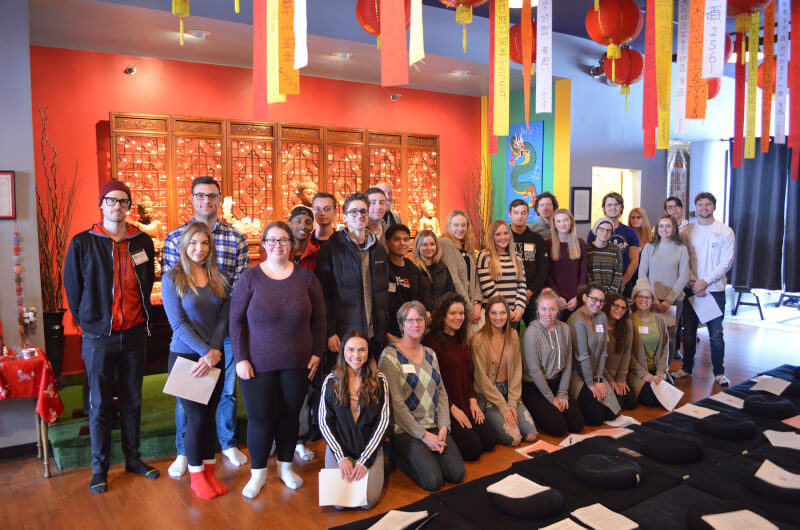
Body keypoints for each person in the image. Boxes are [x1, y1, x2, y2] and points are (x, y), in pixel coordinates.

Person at [64, 179, 158, 493]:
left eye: (123, 201)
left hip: (133, 334)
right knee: (100, 404)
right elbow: (73, 290)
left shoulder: (142, 242)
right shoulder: (83, 242)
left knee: (132, 400)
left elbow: (146, 280)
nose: (117, 206)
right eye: (111, 200)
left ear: (129, 207)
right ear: (101, 204)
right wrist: (87, 323)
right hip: (98, 337)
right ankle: (99, 468)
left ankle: (134, 459)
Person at [231, 221, 326, 497]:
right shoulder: (250, 279)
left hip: (297, 363)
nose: (278, 246)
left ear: (291, 244)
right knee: (260, 419)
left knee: (289, 417)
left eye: (283, 240)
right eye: (272, 241)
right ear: (263, 244)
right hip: (256, 366)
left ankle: (285, 468)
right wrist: (241, 358)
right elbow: (235, 322)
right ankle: (258, 474)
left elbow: (320, 319)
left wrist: (318, 352)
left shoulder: (306, 279)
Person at [163, 176, 250, 476]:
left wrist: (216, 344)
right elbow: (174, 292)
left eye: (212, 196)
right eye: (200, 196)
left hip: (221, 332)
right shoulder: (175, 237)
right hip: (189, 340)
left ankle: (226, 443)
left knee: (224, 392)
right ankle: (184, 452)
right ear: (192, 198)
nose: (206, 201)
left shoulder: (236, 239)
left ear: (219, 199)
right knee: (188, 401)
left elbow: (238, 289)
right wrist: (204, 350)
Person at [161, 222, 230, 499]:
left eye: (204, 243)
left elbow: (223, 318)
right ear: (184, 246)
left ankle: (211, 473)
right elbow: (177, 324)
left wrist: (214, 351)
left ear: (210, 247)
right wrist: (206, 352)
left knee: (210, 417)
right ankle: (196, 475)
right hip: (186, 356)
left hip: (214, 357)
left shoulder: (221, 277)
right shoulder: (173, 278)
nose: (199, 249)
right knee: (196, 418)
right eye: (193, 243)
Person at [379, 301, 465, 491]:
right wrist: (424, 436)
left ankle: (429, 451)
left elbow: (441, 393)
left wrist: (443, 426)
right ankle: (399, 456)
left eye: (420, 320)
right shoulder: (389, 357)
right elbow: (397, 405)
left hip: (434, 425)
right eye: (410, 320)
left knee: (456, 474)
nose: (416, 324)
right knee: (433, 481)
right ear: (402, 325)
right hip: (406, 430)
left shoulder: (430, 354)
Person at [319, 330, 390, 509]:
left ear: (368, 352)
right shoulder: (331, 381)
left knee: (368, 501)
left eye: (361, 350)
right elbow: (324, 422)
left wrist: (365, 460)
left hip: (369, 447)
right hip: (341, 448)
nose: (356, 355)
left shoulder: (380, 380)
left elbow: (384, 421)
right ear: (343, 352)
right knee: (339, 504)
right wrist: (341, 458)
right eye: (351, 350)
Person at [316, 192, 389, 359]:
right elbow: (324, 295)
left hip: (373, 333)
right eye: (353, 212)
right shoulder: (331, 249)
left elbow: (383, 292)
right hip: (344, 334)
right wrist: (330, 331)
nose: (359, 216)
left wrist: (383, 327)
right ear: (345, 217)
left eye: (363, 211)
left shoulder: (379, 251)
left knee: (370, 382)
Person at [423, 294, 497, 461]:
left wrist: (472, 400)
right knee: (473, 451)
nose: (458, 318)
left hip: (466, 401)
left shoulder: (462, 338)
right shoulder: (430, 342)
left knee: (490, 441)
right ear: (443, 315)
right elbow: (430, 384)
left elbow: (467, 374)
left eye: (461, 313)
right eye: (453, 313)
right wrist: (452, 408)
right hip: (446, 407)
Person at [672, 192, 736, 386]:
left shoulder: (725, 231)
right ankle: (686, 368)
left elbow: (726, 262)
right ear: (695, 207)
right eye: (700, 205)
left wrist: (705, 282)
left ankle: (719, 372)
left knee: (716, 333)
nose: (704, 208)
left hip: (714, 289)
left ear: (714, 207)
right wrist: (693, 282)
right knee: (689, 332)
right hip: (691, 288)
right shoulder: (686, 231)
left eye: (708, 205)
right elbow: (682, 259)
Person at [471, 295, 537, 446]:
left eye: (502, 313)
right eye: (494, 313)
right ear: (487, 315)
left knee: (532, 435)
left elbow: (516, 373)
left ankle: (509, 418)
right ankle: (494, 423)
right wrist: (503, 407)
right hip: (490, 396)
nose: (498, 317)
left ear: (508, 314)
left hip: (510, 391)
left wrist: (512, 404)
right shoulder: (478, 340)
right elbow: (482, 380)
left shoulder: (513, 336)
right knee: (515, 440)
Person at [521, 290, 584, 436]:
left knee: (577, 424)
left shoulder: (565, 329)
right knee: (559, 428)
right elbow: (535, 371)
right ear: (538, 310)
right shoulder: (532, 333)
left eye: (552, 309)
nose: (548, 314)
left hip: (557, 383)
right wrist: (551, 399)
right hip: (535, 386)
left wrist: (562, 394)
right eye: (543, 309)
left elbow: (568, 363)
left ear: (558, 310)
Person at [288, 204, 322, 461]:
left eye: (307, 222)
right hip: (279, 332)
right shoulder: (278, 249)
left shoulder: (318, 252)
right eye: (298, 221)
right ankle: (278, 439)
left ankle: (299, 438)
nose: (303, 226)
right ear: (289, 223)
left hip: (307, 330)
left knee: (304, 388)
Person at [638, 214, 689, 362]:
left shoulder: (681, 249)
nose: (664, 229)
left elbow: (683, 276)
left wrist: (668, 300)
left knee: (669, 337)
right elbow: (642, 273)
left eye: (668, 226)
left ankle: (664, 371)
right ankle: (649, 369)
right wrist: (651, 297)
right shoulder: (649, 247)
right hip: (650, 299)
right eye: (661, 226)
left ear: (674, 229)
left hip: (672, 301)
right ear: (657, 228)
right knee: (648, 335)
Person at [568, 284, 621, 425]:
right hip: (578, 375)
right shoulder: (576, 321)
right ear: (584, 298)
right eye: (594, 299)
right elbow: (582, 356)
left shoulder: (601, 317)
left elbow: (603, 349)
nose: (598, 304)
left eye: (601, 301)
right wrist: (591, 385)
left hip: (595, 373)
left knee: (612, 414)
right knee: (596, 419)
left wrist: (598, 379)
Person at [586, 192, 640, 297]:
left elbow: (634, 260)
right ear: (604, 208)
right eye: (609, 205)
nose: (613, 208)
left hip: (623, 283)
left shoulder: (630, 232)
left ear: (621, 208)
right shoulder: (593, 233)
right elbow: (589, 261)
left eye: (616, 204)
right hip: (598, 285)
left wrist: (622, 282)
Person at [385, 224, 432, 341]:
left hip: (411, 331)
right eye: (397, 239)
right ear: (387, 243)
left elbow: (421, 298)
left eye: (406, 239)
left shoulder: (413, 270)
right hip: (388, 332)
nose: (402, 243)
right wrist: (384, 332)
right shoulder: (381, 268)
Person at [477, 221, 528, 329]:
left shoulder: (517, 258)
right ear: (492, 237)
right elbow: (488, 288)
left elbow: (522, 286)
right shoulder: (484, 256)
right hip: (495, 315)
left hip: (514, 316)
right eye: (498, 234)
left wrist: (519, 309)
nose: (503, 237)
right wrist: (505, 310)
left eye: (506, 233)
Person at [627, 280, 670, 407]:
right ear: (635, 299)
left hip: (657, 371)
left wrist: (661, 372)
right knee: (652, 400)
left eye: (648, 297)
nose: (644, 300)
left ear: (652, 300)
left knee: (668, 395)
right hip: (638, 373)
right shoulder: (628, 321)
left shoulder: (660, 320)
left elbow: (665, 348)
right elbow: (627, 355)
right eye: (641, 296)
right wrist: (645, 375)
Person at [508, 199, 549, 325]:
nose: (520, 216)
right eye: (516, 213)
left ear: (528, 214)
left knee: (537, 330)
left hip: (532, 293)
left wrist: (529, 292)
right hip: (510, 292)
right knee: (511, 333)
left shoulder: (537, 239)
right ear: (510, 214)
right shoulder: (503, 238)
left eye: (523, 212)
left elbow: (543, 270)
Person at [439, 209, 482, 325]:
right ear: (449, 226)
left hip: (472, 303)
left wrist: (477, 303)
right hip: (457, 305)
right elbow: (455, 278)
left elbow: (476, 277)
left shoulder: (469, 247)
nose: (460, 229)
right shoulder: (446, 243)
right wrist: (470, 309)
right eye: (456, 225)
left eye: (463, 225)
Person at [546, 209, 587, 321]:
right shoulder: (548, 244)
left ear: (571, 222)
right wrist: (558, 297)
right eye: (558, 221)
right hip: (556, 299)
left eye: (565, 220)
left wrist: (578, 297)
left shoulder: (580, 243)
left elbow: (583, 273)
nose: (562, 224)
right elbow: (548, 275)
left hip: (576, 298)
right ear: (554, 224)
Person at [602, 293, 635, 410]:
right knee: (618, 404)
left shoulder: (626, 324)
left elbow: (627, 353)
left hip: (618, 374)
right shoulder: (600, 325)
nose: (619, 310)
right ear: (608, 306)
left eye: (623, 308)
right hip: (603, 374)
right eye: (615, 306)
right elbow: (598, 360)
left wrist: (621, 379)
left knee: (631, 402)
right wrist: (611, 381)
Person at [412, 229, 455, 306]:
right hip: (421, 315)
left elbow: (451, 292)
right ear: (418, 246)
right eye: (424, 245)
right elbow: (412, 297)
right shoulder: (413, 269)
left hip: (441, 314)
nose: (429, 248)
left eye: (432, 244)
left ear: (436, 246)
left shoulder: (443, 268)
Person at [586, 217, 623, 294]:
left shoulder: (616, 249)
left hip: (612, 294)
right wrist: (597, 292)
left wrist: (611, 293)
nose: (605, 232)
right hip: (593, 294)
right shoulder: (587, 249)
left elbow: (618, 273)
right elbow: (587, 274)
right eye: (601, 229)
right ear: (596, 230)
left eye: (608, 230)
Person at [627, 207, 651, 289]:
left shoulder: (651, 238)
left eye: (639, 217)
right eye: (633, 217)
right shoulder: (626, 237)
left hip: (646, 278)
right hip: (629, 276)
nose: (635, 220)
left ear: (643, 219)